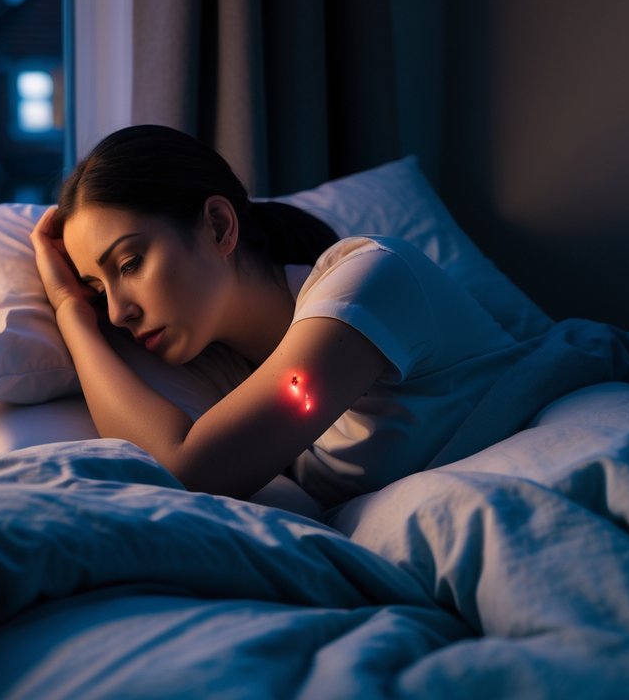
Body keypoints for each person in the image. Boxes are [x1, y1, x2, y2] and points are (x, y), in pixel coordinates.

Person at [30, 124, 524, 510]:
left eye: (130, 263)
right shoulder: (231, 377)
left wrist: (71, 311)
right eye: (97, 291)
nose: (117, 312)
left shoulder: (369, 281)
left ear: (218, 226)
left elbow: (184, 470)